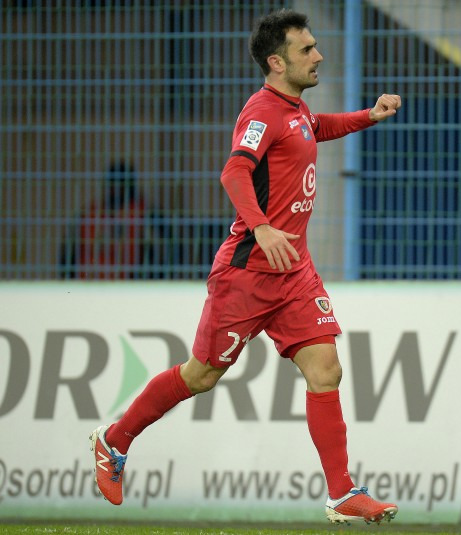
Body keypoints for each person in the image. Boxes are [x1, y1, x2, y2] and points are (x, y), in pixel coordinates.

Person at [89, 9, 402, 525]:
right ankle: (115, 440)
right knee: (201, 375)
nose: (319, 55)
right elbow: (234, 171)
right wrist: (260, 227)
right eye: (307, 49)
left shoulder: (295, 109)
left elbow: (315, 128)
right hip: (247, 273)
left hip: (294, 270)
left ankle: (342, 493)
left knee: (326, 369)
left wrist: (368, 115)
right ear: (277, 62)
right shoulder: (260, 112)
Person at [61, 161, 154, 279]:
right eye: (113, 184)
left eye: (121, 185)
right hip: (88, 282)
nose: (116, 190)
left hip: (126, 284)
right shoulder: (90, 215)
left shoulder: (142, 213)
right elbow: (68, 252)